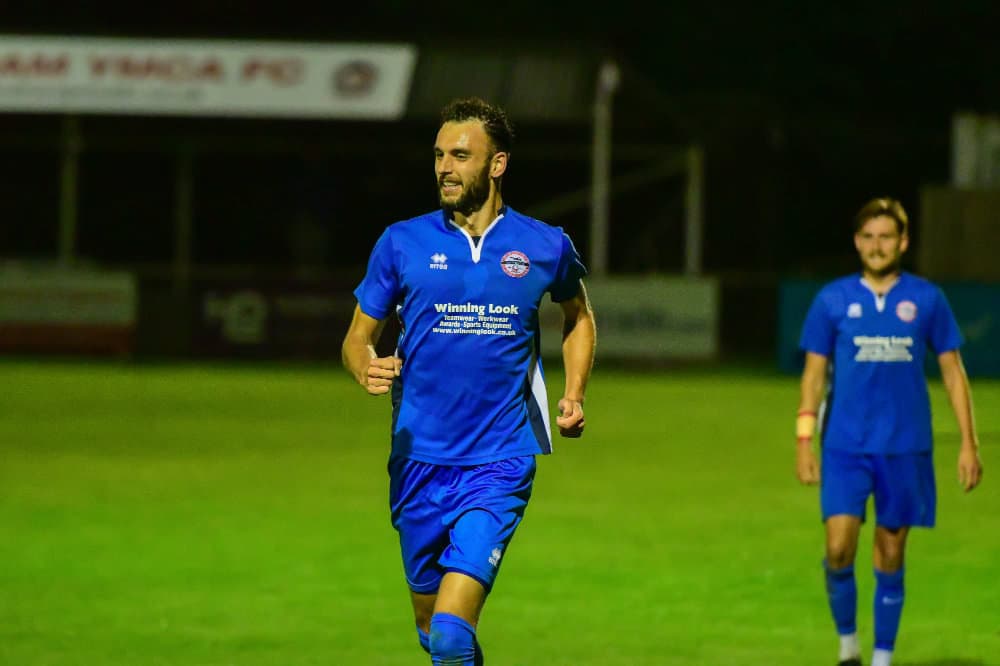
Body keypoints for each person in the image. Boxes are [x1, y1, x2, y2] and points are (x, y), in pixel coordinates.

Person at [341, 97, 596, 665]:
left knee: (453, 635)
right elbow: (357, 338)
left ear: (497, 164)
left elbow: (579, 317)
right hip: (417, 461)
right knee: (431, 629)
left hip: (499, 461)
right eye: (438, 156)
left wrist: (574, 393)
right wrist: (364, 364)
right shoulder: (401, 242)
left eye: (460, 156)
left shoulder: (545, 245)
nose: (444, 168)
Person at [794, 197, 983, 666]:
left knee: (891, 552)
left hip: (905, 447)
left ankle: (882, 658)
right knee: (838, 548)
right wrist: (804, 440)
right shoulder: (832, 300)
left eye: (886, 237)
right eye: (869, 237)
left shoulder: (927, 299)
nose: (877, 246)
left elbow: (953, 373)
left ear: (903, 242)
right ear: (857, 243)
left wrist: (968, 443)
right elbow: (813, 376)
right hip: (844, 446)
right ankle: (848, 646)